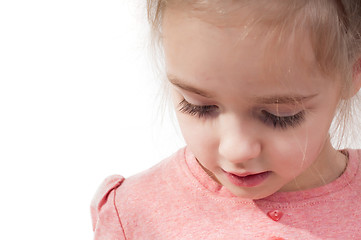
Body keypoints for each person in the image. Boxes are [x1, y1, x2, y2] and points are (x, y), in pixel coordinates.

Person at [91, 0, 361, 239]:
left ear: (353, 72)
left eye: (280, 115)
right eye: (200, 107)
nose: (236, 150)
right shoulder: (135, 214)